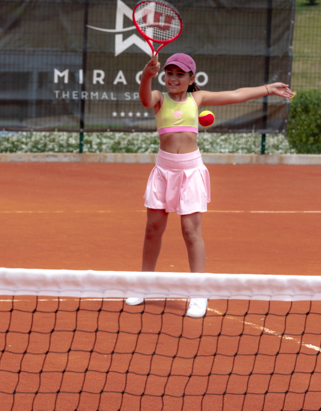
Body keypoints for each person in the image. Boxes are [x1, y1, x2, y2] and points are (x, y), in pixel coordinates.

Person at [126, 53, 294, 317]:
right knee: (152, 229)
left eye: (180, 74)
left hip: (190, 172)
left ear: (192, 78)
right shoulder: (160, 98)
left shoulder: (198, 98)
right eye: (169, 73)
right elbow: (145, 99)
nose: (173, 78)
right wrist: (147, 75)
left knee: (190, 231)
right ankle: (145, 284)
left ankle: (199, 292)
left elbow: (236, 94)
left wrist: (268, 89)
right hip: (163, 171)